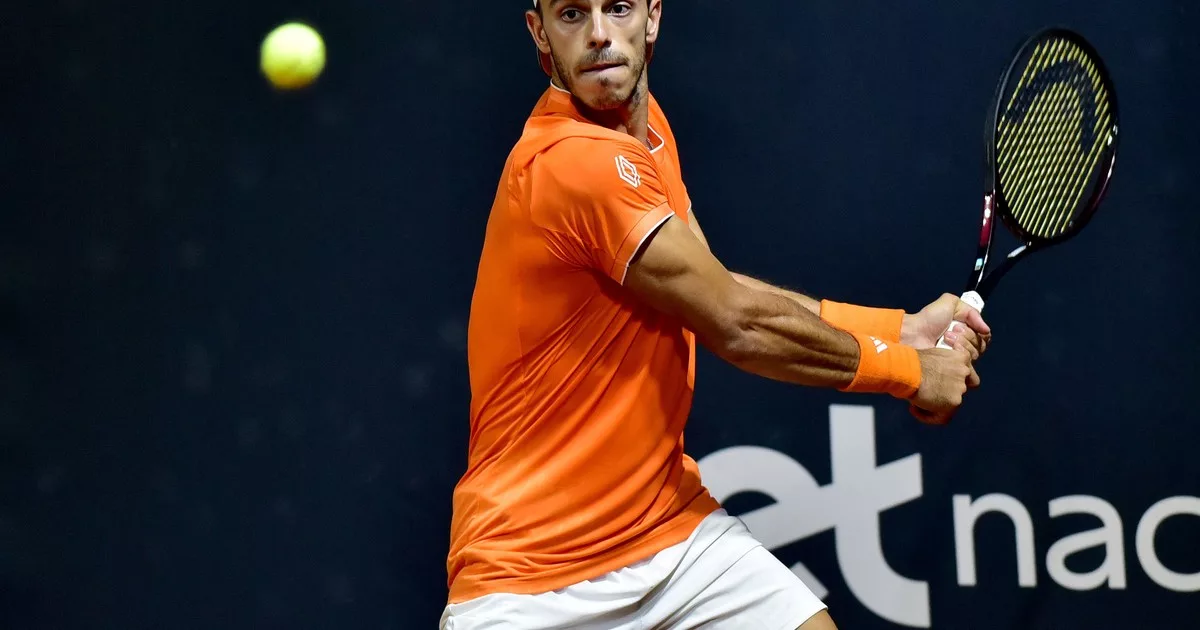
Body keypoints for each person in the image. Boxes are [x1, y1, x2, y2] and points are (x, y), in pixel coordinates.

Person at [442, 1, 991, 628]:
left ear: (651, 17)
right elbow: (737, 324)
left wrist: (902, 330)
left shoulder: (647, 133)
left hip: (665, 527)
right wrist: (910, 371)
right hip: (532, 573)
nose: (598, 34)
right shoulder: (571, 162)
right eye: (571, 14)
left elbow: (714, 286)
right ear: (539, 32)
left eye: (617, 8)